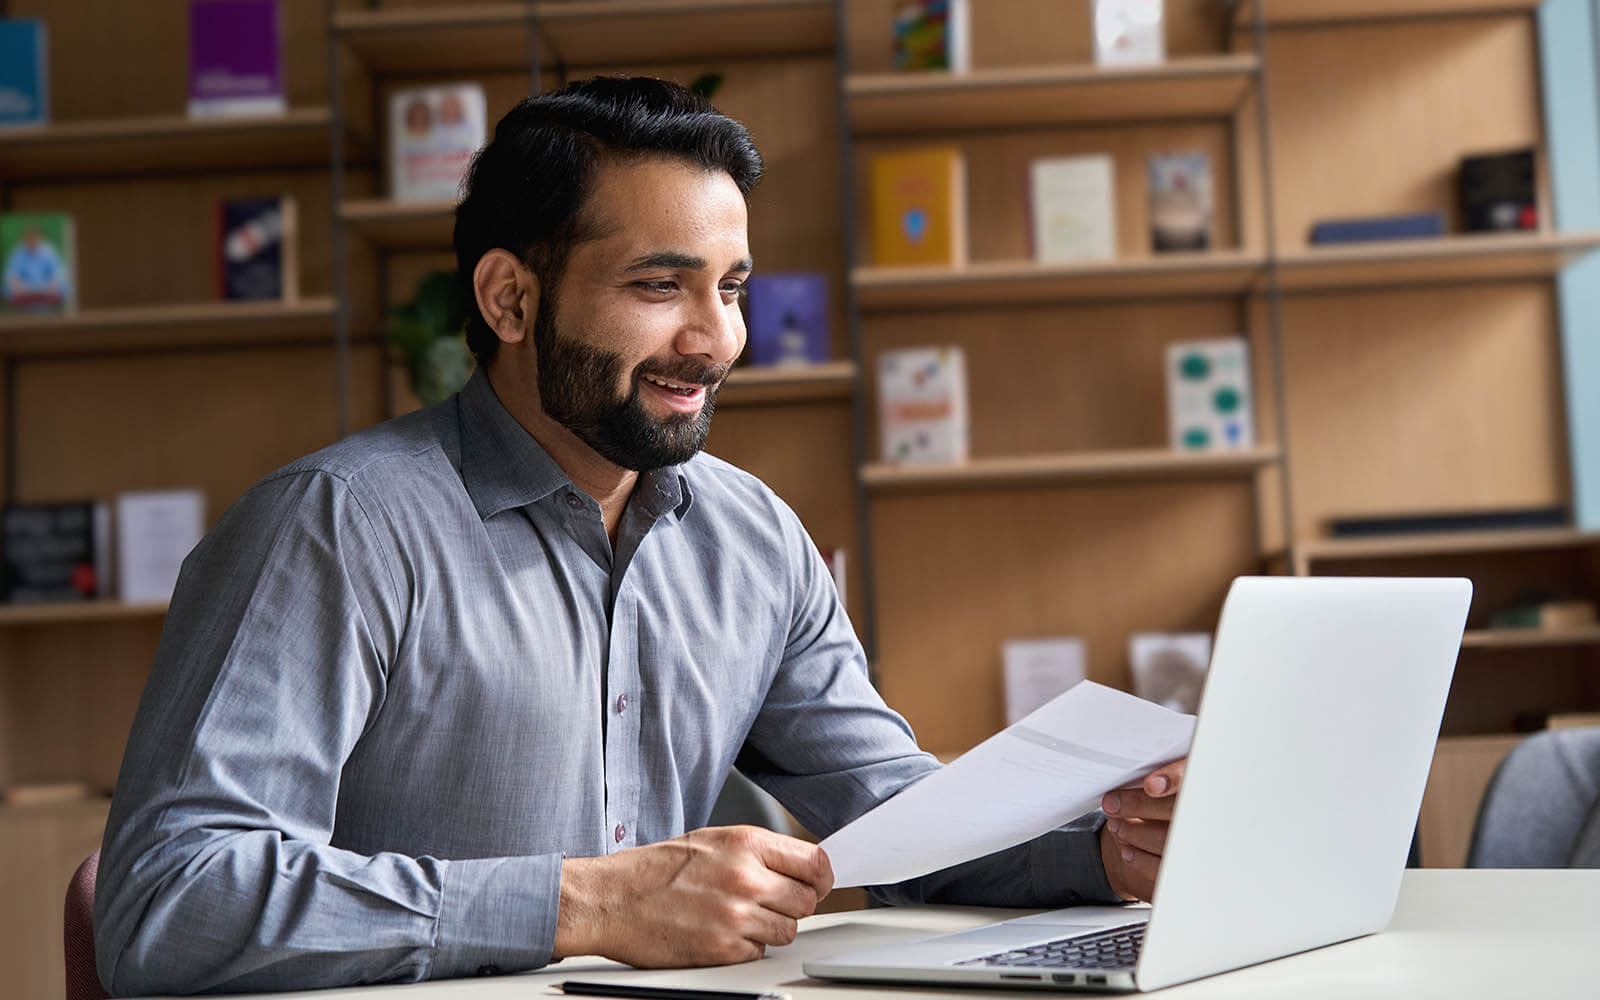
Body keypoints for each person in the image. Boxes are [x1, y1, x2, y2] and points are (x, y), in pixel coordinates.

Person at [94, 76, 1187, 996]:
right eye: (659, 285)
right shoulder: (334, 529)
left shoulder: (752, 538)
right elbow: (168, 899)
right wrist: (590, 900)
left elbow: (894, 820)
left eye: (731, 288)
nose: (714, 340)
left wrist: (1102, 852)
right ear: (510, 298)